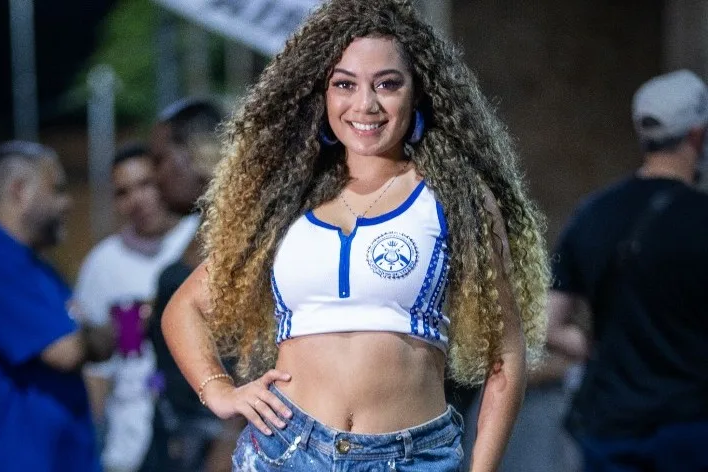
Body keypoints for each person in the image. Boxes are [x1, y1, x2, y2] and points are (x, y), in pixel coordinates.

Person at [163, 1, 549, 471]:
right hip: (287, 451)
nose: (365, 105)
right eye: (345, 84)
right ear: (320, 94)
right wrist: (219, 390)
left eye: (387, 84)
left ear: (418, 91)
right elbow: (185, 308)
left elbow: (505, 354)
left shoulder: (454, 197)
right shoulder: (286, 201)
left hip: (411, 458)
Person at [548, 69, 708, 471]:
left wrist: (599, 350)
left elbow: (548, 324)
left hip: (611, 432)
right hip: (692, 431)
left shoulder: (592, 214)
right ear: (697, 135)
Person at [0, 141, 113, 472]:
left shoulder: (37, 265)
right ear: (19, 191)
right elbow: (65, 350)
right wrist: (102, 335)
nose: (67, 202)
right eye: (56, 189)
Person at [74, 143, 199, 472]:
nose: (138, 199)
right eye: (123, 192)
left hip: (193, 436)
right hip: (127, 445)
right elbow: (97, 371)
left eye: (146, 184)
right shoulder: (103, 264)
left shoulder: (198, 241)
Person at [141, 98, 241, 472]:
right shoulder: (198, 234)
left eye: (160, 160)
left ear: (198, 154)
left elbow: (253, 356)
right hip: (172, 441)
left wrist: (226, 447)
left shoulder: (242, 237)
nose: (155, 176)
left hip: (212, 447)